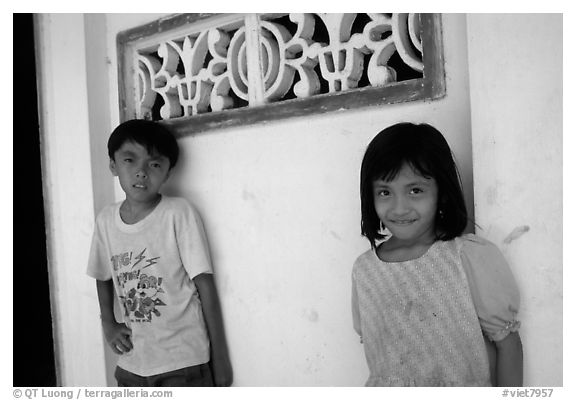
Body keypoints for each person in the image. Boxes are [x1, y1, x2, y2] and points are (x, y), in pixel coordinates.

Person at [351, 122, 523, 386]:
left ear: (441, 193)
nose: (399, 208)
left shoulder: (466, 257)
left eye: (415, 190)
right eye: (385, 192)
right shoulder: (365, 271)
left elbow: (507, 345)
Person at [87, 119, 233, 387]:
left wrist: (221, 357)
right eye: (130, 160)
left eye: (154, 164)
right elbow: (102, 275)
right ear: (113, 165)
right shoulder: (106, 220)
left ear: (167, 173)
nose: (141, 172)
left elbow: (205, 285)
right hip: (132, 363)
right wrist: (108, 323)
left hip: (184, 362)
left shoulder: (178, 213)